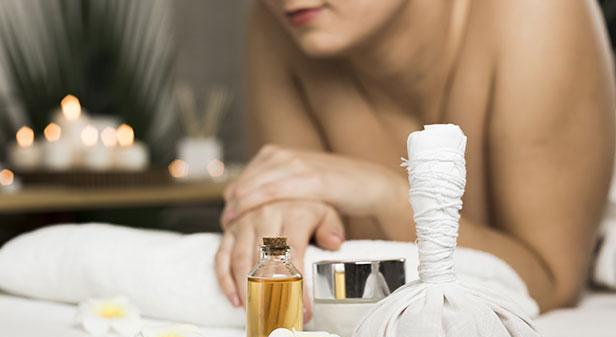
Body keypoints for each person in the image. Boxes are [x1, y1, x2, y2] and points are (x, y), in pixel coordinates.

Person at [215, 0, 616, 318]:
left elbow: (553, 284)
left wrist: (386, 195)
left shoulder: (538, 11)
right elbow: (289, 212)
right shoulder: (286, 22)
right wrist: (280, 212)